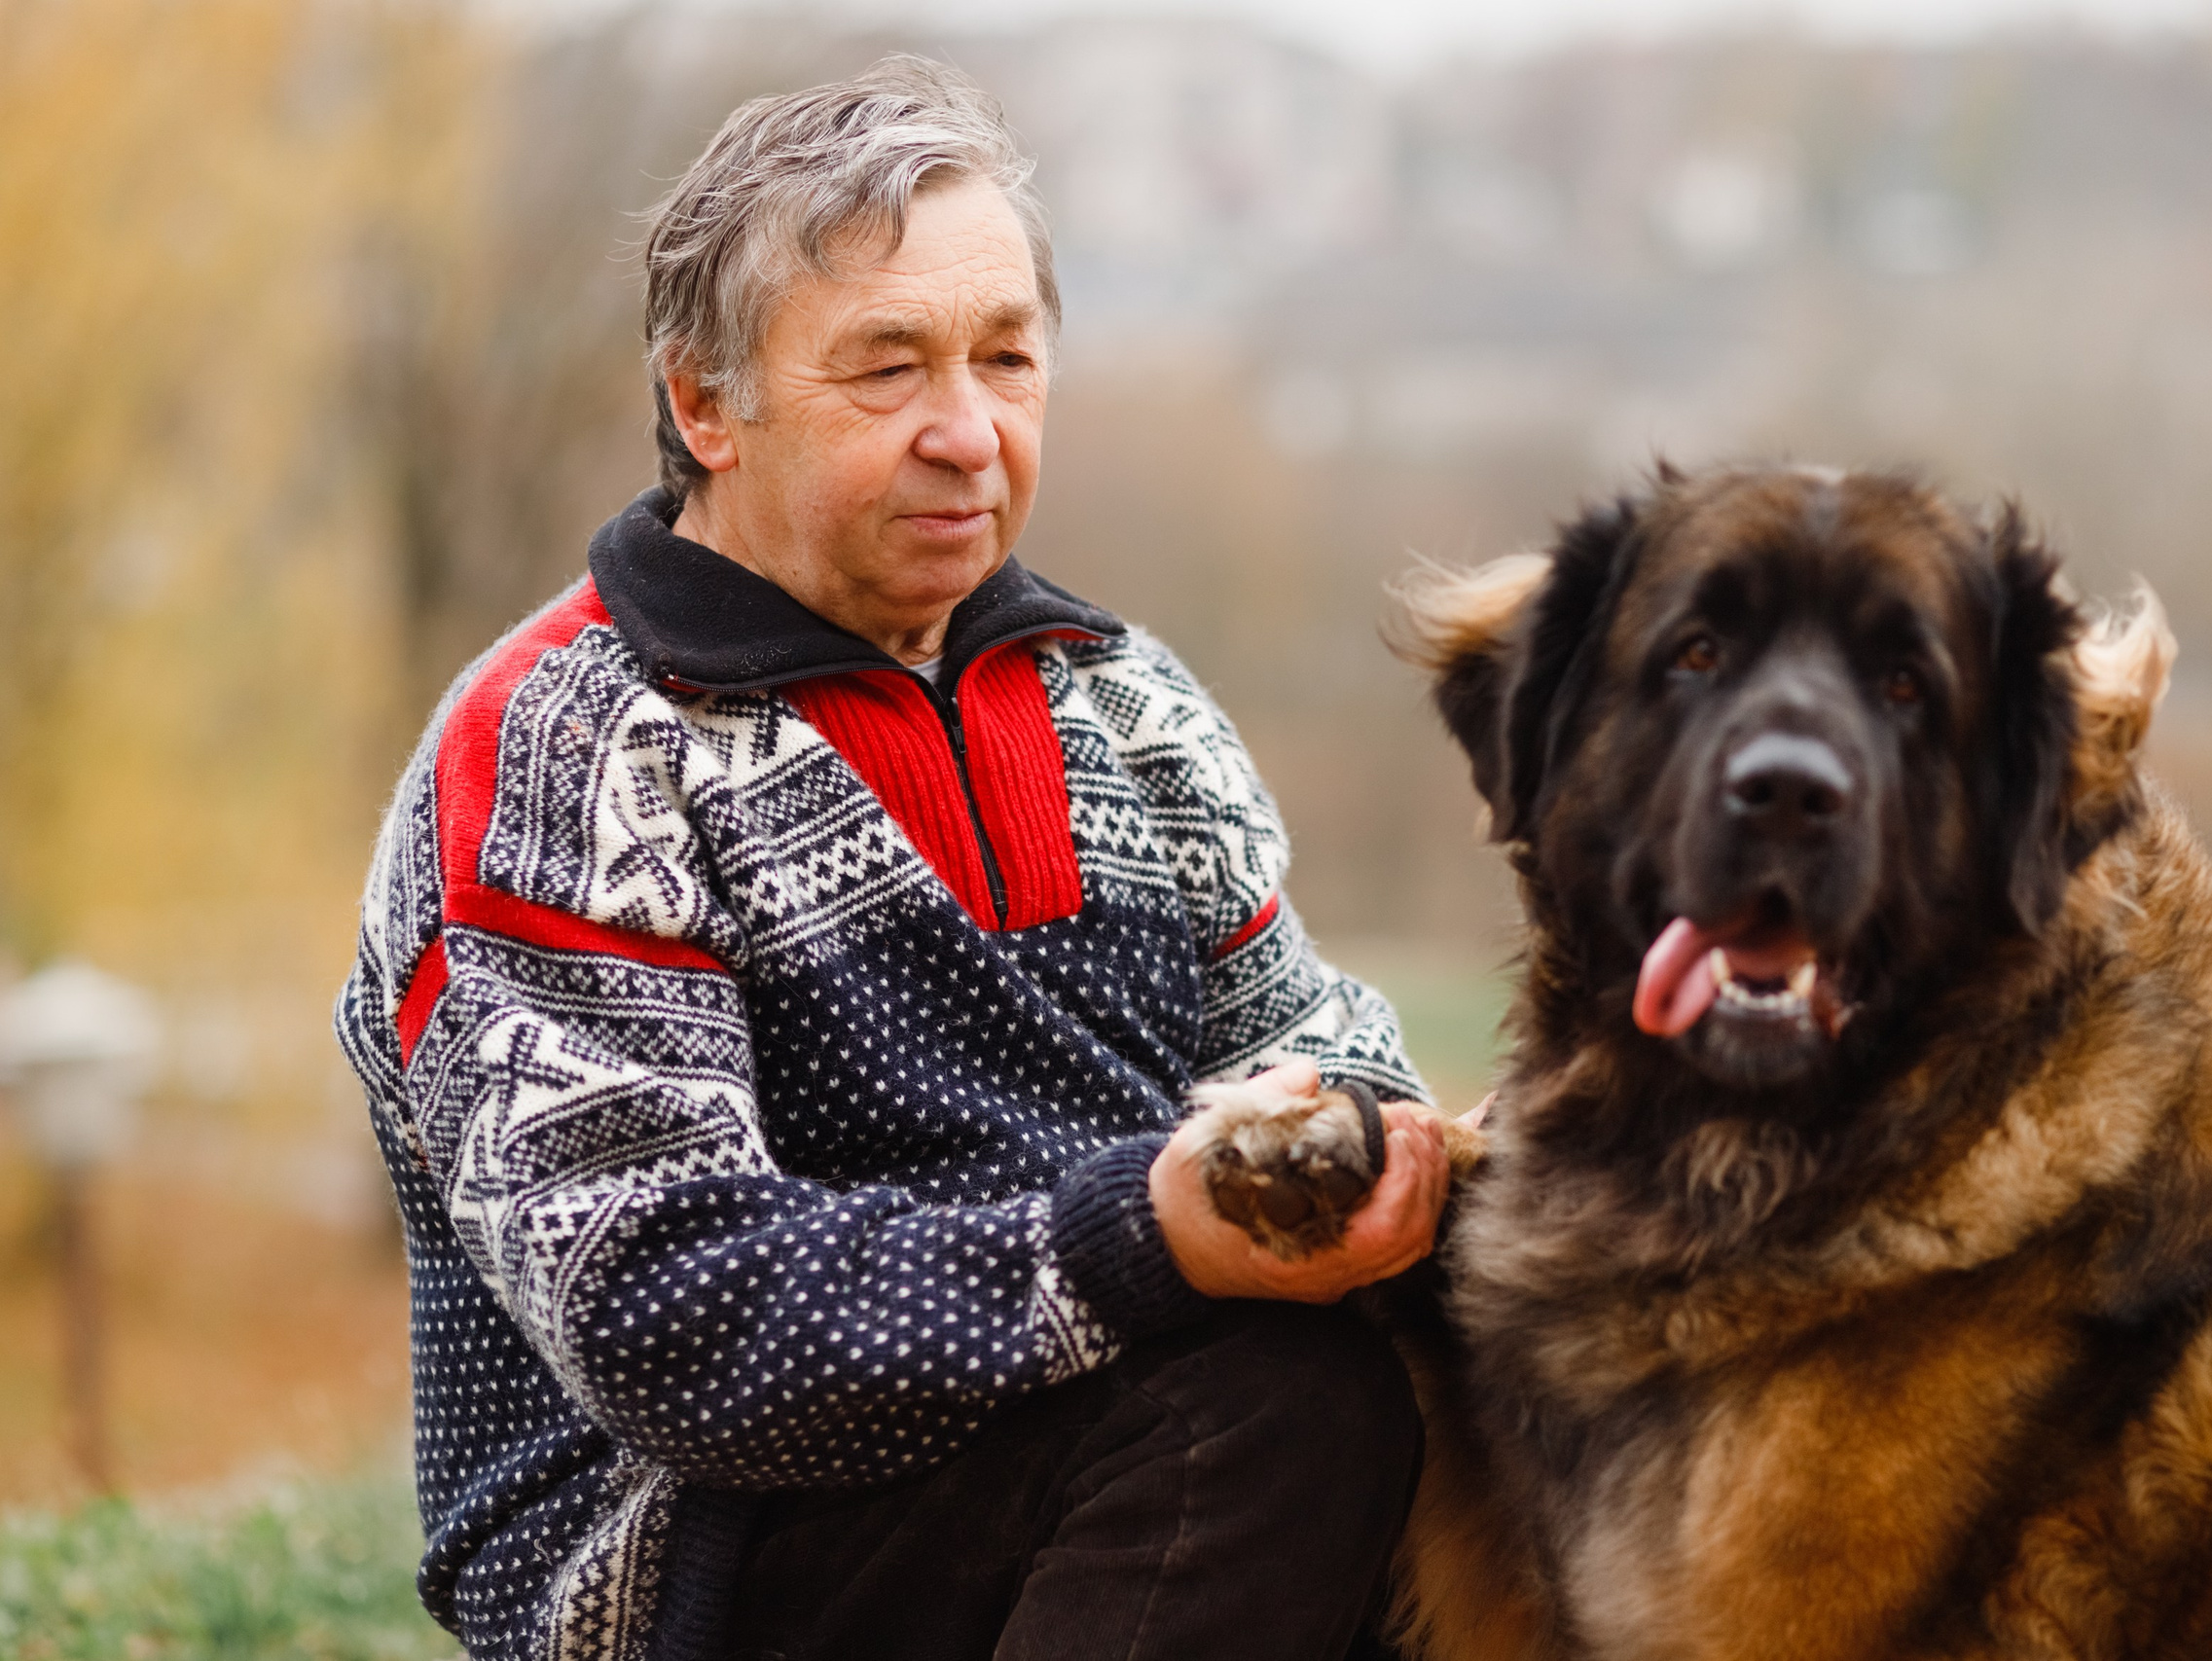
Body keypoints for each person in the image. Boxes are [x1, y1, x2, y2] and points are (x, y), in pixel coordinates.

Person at [336, 55, 1451, 1661]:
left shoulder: (1129, 704)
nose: (966, 431)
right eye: (887, 369)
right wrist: (1140, 1233)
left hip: (1120, 1436)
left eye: (1007, 358)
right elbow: (670, 1318)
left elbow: (1311, 1043)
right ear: (706, 404)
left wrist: (1367, 1150)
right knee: (1275, 1408)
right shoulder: (562, 747)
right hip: (678, 1555)